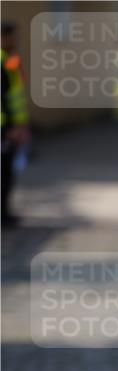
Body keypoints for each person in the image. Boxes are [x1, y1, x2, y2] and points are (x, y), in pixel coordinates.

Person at [1, 22, 29, 226]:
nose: (14, 41)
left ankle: (5, 213)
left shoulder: (10, 61)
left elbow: (15, 95)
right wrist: (11, 128)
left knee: (8, 172)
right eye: (10, 36)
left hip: (10, 127)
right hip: (5, 129)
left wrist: (20, 126)